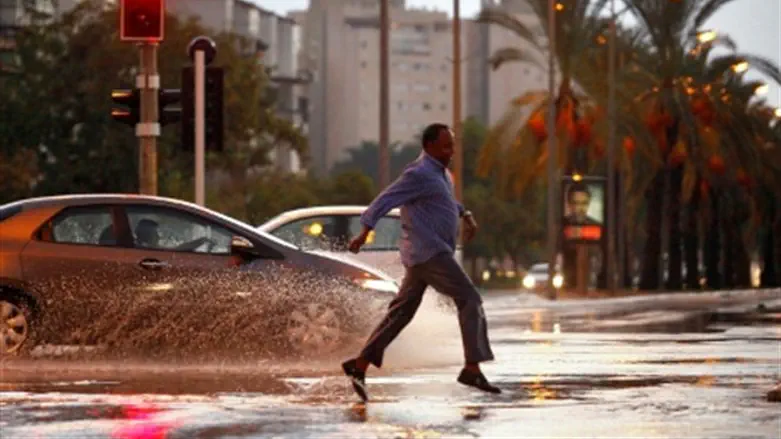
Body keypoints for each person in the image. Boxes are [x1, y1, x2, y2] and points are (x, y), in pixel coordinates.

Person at [340, 123, 500, 402]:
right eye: (445, 146)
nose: (451, 152)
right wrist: (364, 232)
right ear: (429, 147)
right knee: (470, 298)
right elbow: (385, 200)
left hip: (423, 256)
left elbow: (445, 201)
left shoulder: (441, 174)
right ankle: (472, 367)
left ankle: (359, 364)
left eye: (452, 145)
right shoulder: (418, 173)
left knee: (401, 313)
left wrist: (466, 213)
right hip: (430, 254)